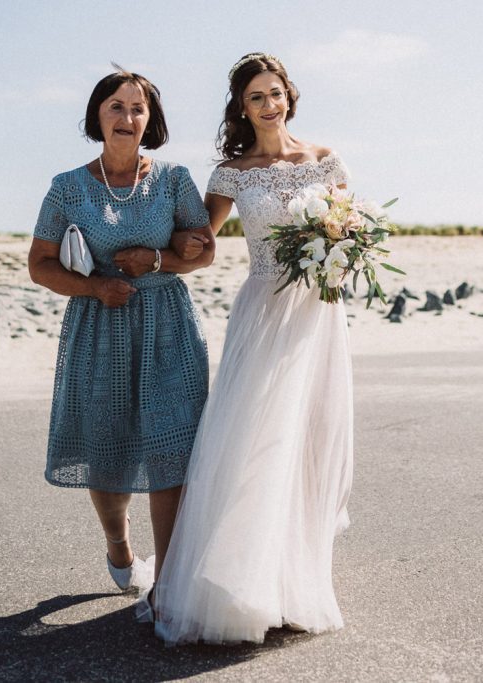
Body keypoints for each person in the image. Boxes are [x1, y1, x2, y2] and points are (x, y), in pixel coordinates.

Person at [142, 53, 354, 644]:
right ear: (242, 106)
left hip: (318, 314)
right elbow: (198, 243)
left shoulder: (325, 160)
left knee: (307, 437)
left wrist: (343, 255)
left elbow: (350, 229)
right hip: (263, 311)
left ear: (290, 94)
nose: (268, 104)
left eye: (275, 92)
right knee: (253, 435)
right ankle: (237, 583)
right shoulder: (232, 175)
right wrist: (154, 253)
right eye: (256, 96)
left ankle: (291, 581)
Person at [27, 68, 215, 593]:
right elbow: (40, 264)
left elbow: (204, 251)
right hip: (99, 326)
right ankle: (119, 545)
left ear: (150, 120)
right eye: (116, 106)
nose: (127, 117)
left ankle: (171, 579)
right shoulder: (67, 188)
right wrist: (96, 290)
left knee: (171, 441)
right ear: (98, 116)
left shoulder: (174, 180)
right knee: (107, 445)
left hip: (168, 326)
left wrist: (157, 259)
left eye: (138, 108)